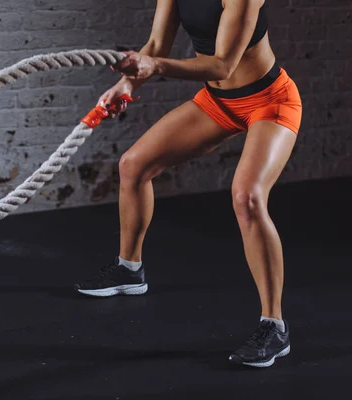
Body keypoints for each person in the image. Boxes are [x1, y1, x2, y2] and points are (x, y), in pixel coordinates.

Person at [74, 0, 301, 368]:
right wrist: (126, 84)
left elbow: (221, 64)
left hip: (269, 101)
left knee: (247, 197)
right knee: (133, 165)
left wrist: (156, 66)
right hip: (219, 101)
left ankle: (274, 326)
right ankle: (129, 269)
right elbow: (155, 46)